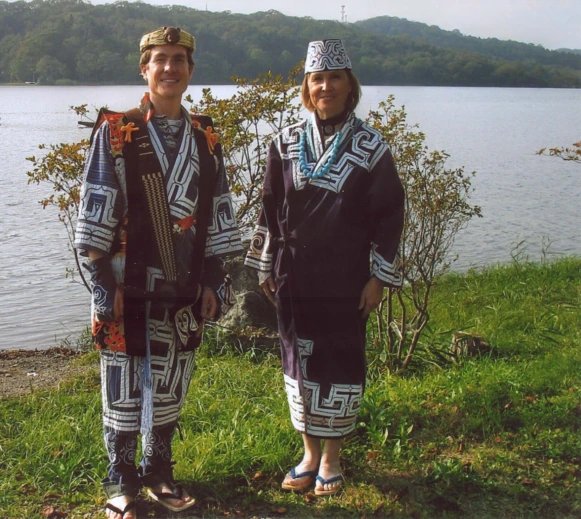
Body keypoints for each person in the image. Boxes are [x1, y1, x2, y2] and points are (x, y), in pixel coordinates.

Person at [75, 27, 243, 519]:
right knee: (122, 383)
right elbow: (96, 206)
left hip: (184, 285)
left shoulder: (205, 136)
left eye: (179, 59)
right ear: (143, 69)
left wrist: (215, 279)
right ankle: (120, 479)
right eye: (160, 59)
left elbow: (217, 211)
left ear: (191, 69)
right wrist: (103, 284)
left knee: (172, 380)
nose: (169, 68)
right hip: (126, 286)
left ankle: (160, 471)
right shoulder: (117, 131)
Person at [244, 39, 405, 496]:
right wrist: (265, 264)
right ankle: (309, 453)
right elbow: (270, 208)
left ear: (349, 85)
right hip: (293, 274)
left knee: (340, 358)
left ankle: (332, 457)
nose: (325, 86)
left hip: (346, 276)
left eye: (335, 77)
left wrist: (378, 277)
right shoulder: (285, 142)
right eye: (317, 78)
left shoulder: (371, 146)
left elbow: (390, 213)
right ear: (307, 86)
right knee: (298, 358)